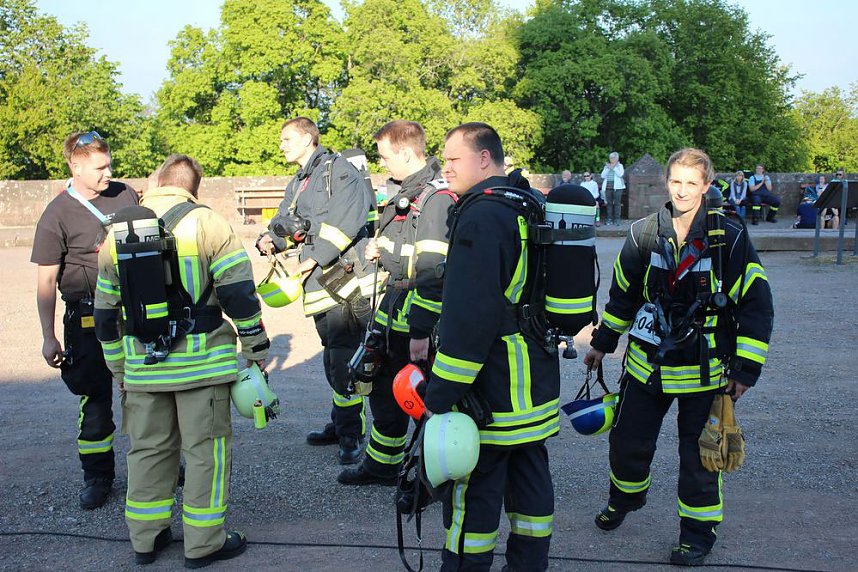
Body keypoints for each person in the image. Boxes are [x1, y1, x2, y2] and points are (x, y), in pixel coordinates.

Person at [584, 148, 774, 566]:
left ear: (706, 186)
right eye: (676, 182)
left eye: (692, 183)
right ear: (666, 183)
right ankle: (625, 499)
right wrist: (601, 342)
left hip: (707, 372)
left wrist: (746, 369)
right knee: (628, 444)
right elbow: (623, 297)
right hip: (647, 365)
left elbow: (756, 306)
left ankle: (697, 535)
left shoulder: (732, 237)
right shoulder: (642, 233)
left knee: (701, 459)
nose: (683, 190)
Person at [94, 154, 268, 567]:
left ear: (156, 182)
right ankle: (203, 543)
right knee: (206, 453)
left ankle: (146, 540)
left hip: (143, 368)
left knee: (148, 451)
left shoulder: (118, 231)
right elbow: (239, 294)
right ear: (194, 188)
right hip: (202, 367)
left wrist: (120, 367)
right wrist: (255, 350)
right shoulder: (208, 223)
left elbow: (104, 314)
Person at [424, 123, 561, 571]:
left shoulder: (481, 214)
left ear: (485, 159)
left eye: (453, 158)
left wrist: (441, 393)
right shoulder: (529, 202)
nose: (445, 168)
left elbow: (469, 317)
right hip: (536, 380)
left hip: (493, 390)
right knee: (531, 482)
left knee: (474, 491)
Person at [337, 120, 454, 486]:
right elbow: (403, 252)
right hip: (394, 312)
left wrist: (421, 330)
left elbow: (433, 270)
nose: (383, 164)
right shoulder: (411, 193)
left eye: (386, 156)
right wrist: (380, 250)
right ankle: (382, 466)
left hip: (415, 319)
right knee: (388, 394)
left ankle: (430, 471)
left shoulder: (434, 200)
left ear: (406, 152)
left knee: (420, 397)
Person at [31, 131, 138, 510]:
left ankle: (157, 466)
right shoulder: (57, 213)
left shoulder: (126, 195)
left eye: (109, 164)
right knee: (95, 398)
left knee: (147, 393)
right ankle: (98, 476)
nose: (109, 172)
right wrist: (48, 336)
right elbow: (46, 280)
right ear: (75, 167)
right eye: (100, 167)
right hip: (88, 317)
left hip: (133, 313)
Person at [256, 117, 371, 465]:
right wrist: (270, 240)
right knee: (331, 355)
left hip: (343, 281)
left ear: (308, 138)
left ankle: (351, 434)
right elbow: (286, 221)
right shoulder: (301, 180)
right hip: (319, 283)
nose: (281, 145)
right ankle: (340, 424)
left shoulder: (338, 172)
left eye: (287, 138)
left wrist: (311, 261)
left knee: (343, 359)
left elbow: (348, 223)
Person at [600, 151, 626, 225]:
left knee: (617, 203)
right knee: (609, 204)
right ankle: (609, 219)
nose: (611, 159)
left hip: (618, 188)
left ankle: (617, 219)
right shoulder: (606, 166)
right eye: (610, 158)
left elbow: (620, 174)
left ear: (617, 158)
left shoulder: (620, 166)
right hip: (608, 188)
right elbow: (602, 176)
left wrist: (613, 168)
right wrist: (608, 168)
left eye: (613, 158)